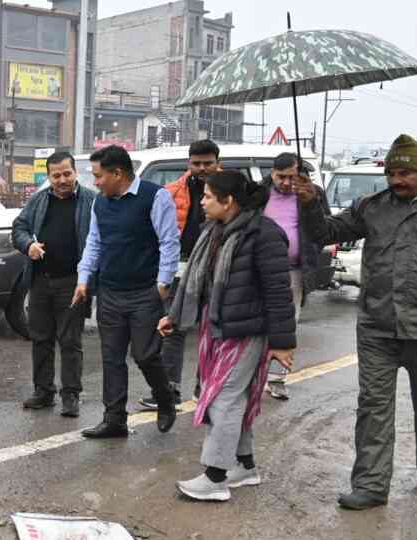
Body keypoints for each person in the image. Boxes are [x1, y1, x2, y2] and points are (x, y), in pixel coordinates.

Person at [298, 135, 417, 510]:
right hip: (378, 327)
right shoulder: (371, 207)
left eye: (404, 173)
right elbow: (326, 233)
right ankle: (371, 484)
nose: (396, 180)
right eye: (392, 173)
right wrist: (311, 202)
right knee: (373, 408)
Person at [160, 170, 297, 501]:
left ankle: (215, 477)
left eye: (208, 196)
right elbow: (198, 282)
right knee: (235, 397)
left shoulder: (264, 235)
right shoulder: (214, 231)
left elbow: (279, 291)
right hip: (218, 326)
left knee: (224, 398)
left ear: (228, 201)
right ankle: (244, 466)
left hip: (247, 330)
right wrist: (176, 318)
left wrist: (281, 343)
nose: (203, 202)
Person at [74, 145, 179, 438]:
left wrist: (162, 284)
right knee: (111, 356)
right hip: (110, 291)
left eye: (98, 176)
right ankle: (115, 419)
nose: (95, 183)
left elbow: (169, 243)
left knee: (145, 355)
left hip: (145, 292)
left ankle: (165, 399)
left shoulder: (155, 197)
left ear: (117, 173)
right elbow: (94, 243)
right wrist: (84, 279)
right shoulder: (101, 203)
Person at [11, 151, 98, 417]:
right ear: (49, 176)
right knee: (40, 339)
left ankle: (71, 395)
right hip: (40, 281)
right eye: (56, 175)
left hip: (73, 282)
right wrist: (29, 246)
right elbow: (19, 228)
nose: (62, 180)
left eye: (67, 174)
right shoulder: (39, 200)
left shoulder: (91, 201)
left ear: (75, 173)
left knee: (70, 341)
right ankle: (43, 391)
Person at [140, 139, 220, 411]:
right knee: (173, 328)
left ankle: (206, 388)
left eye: (207, 163)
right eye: (196, 163)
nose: (202, 168)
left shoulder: (231, 192)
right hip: (180, 267)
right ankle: (169, 390)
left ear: (217, 163)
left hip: (216, 269)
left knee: (212, 329)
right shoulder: (172, 191)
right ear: (189, 163)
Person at [258, 152, 330, 401]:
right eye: (281, 177)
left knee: (288, 321)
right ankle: (254, 373)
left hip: (294, 271)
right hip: (260, 268)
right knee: (257, 320)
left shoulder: (312, 193)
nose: (286, 183)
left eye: (292, 177)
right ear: (272, 174)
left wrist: (310, 202)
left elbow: (324, 229)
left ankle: (276, 378)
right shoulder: (259, 193)